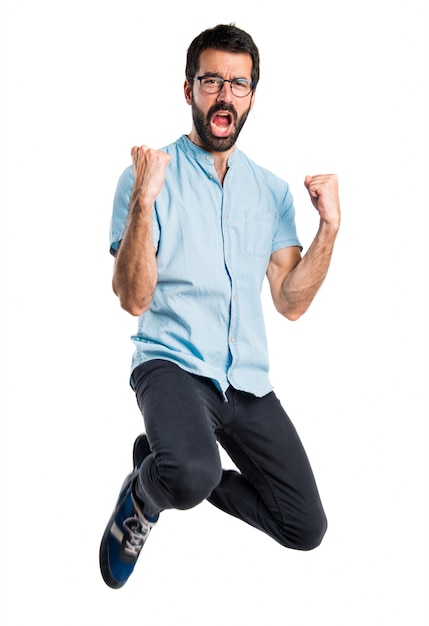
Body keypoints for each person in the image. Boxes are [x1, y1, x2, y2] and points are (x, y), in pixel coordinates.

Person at [99, 23, 341, 590]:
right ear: (189, 90)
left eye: (239, 83)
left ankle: (164, 464)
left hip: (246, 383)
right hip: (172, 365)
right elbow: (132, 297)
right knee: (190, 473)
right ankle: (152, 489)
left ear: (252, 95)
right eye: (212, 80)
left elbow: (290, 302)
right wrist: (142, 202)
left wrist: (330, 227)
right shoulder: (147, 176)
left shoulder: (272, 192)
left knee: (305, 526)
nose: (225, 94)